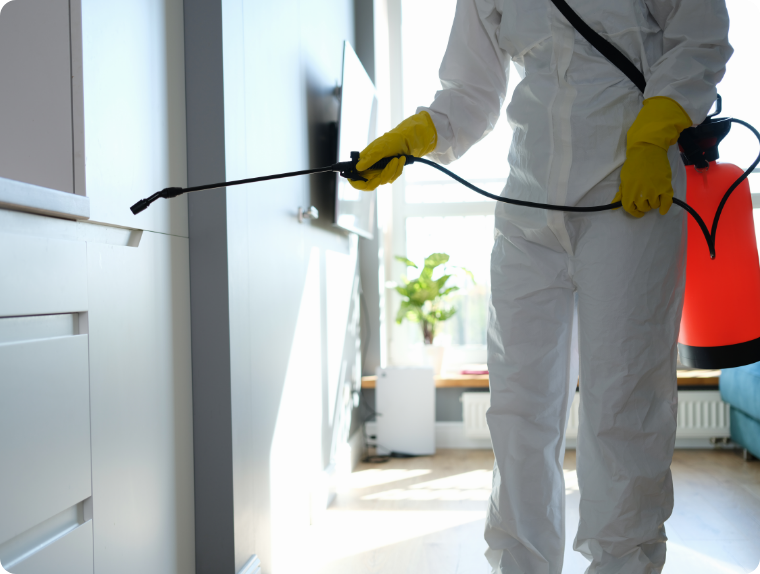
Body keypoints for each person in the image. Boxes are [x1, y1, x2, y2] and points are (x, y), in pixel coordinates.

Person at [350, 1, 732, 572]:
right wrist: (417, 135)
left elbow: (700, 36)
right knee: (517, 410)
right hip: (527, 207)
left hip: (630, 193)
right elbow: (471, 90)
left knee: (623, 403)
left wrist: (654, 135)